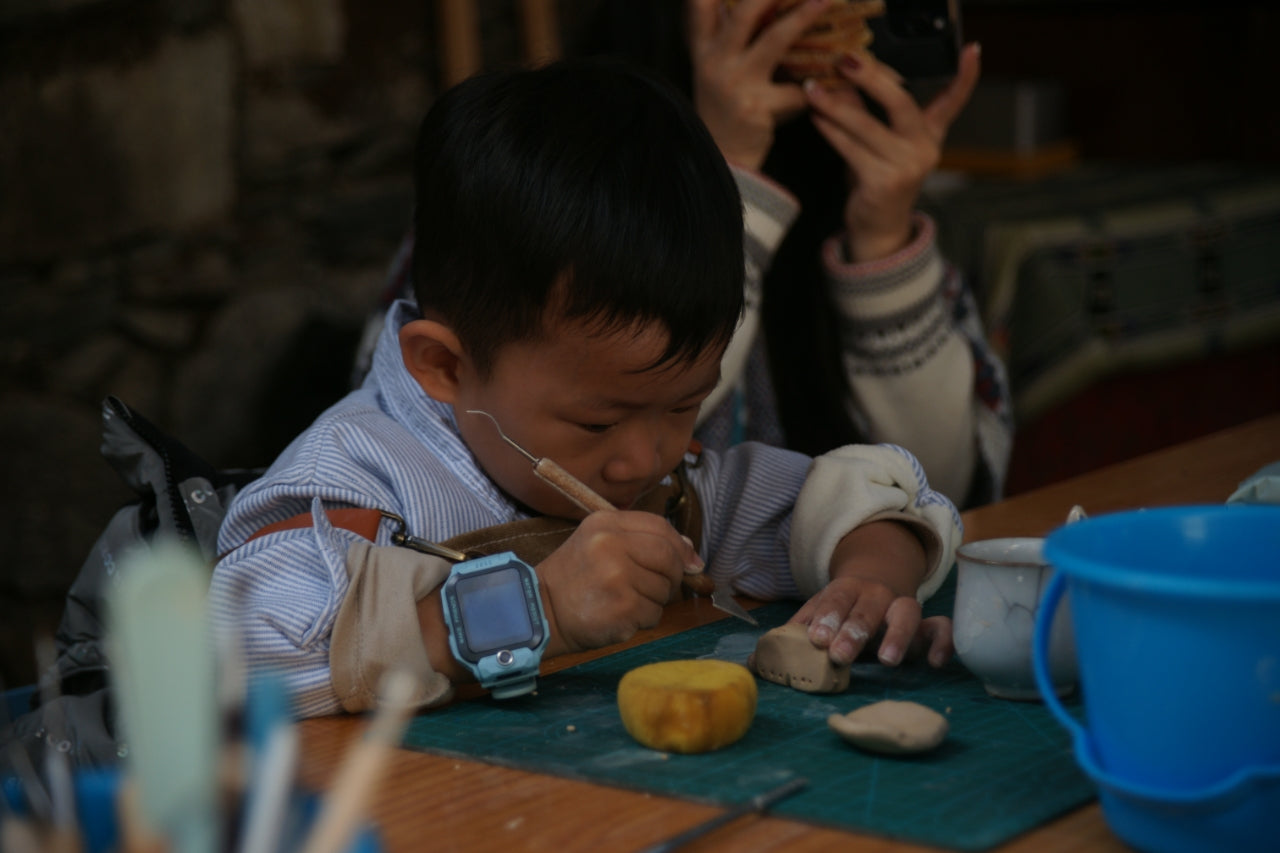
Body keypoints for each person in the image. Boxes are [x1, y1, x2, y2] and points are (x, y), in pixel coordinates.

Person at [213, 57, 962, 718]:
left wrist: (868, 574)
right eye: (597, 422)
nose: (646, 457)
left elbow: (855, 501)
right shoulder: (356, 482)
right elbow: (239, 650)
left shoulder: (673, 485)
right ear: (443, 365)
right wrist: (536, 608)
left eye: (683, 404)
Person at [353, 0, 1014, 510]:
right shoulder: (537, 182)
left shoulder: (854, 189)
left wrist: (884, 241)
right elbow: (413, 425)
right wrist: (727, 183)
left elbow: (938, 489)